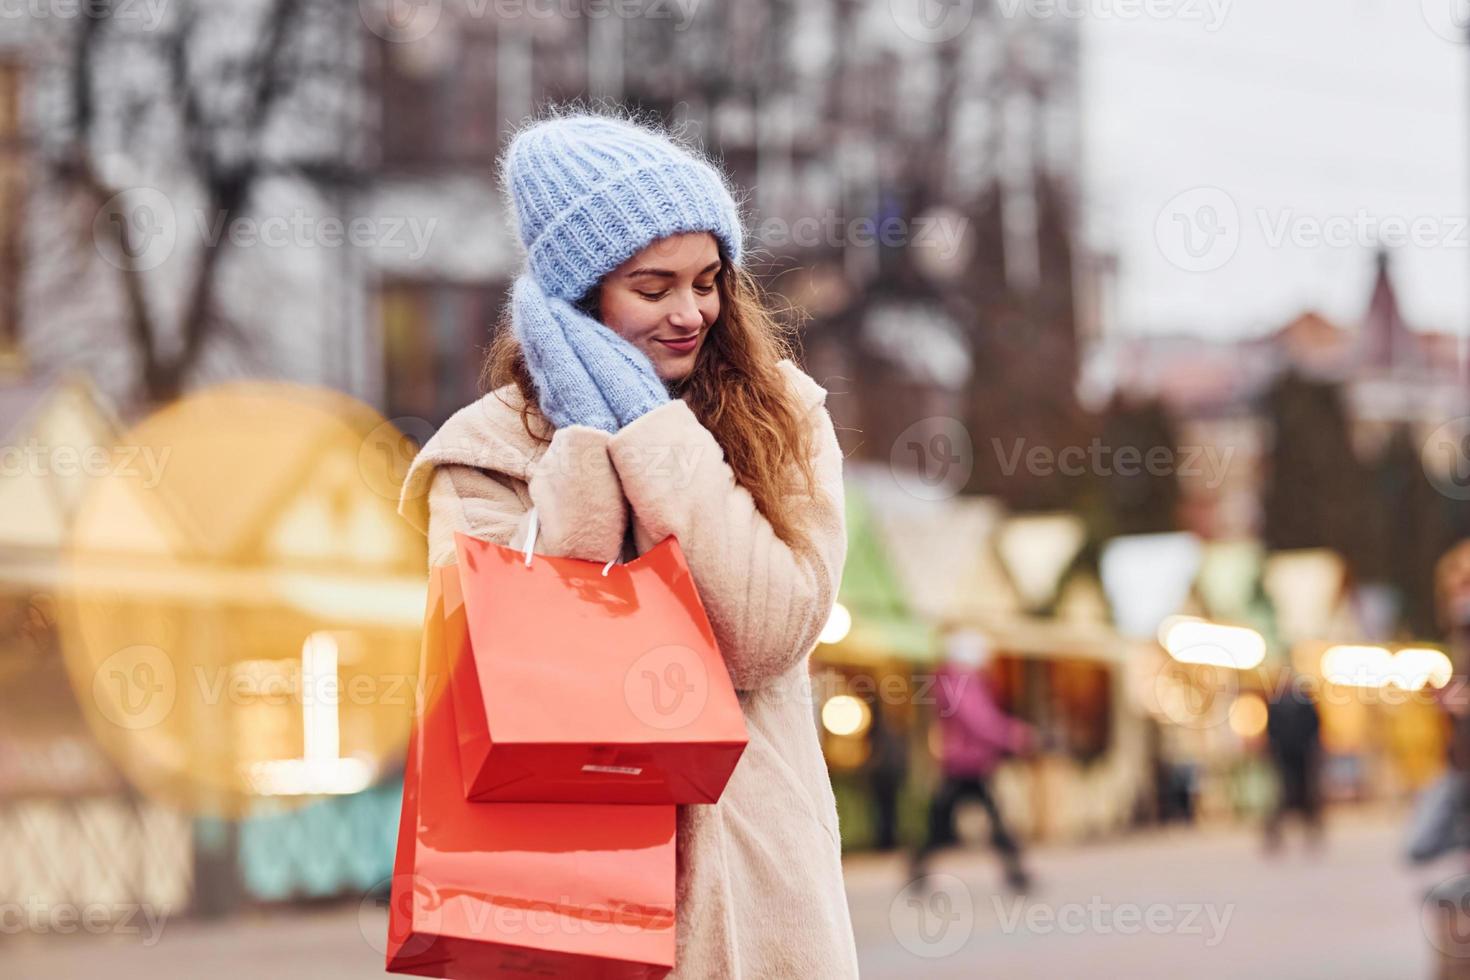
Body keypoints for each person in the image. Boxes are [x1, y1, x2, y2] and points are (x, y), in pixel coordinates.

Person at [396, 110, 859, 979]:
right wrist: (583, 448)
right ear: (581, 292)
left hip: (764, 910)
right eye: (654, 288)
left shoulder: (783, 416)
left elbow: (769, 630)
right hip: (572, 914)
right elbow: (534, 679)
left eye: (709, 280)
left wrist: (652, 432)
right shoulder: (484, 457)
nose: (691, 313)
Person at [910, 629, 1034, 892]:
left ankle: (1016, 872)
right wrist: (1011, 735)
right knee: (947, 824)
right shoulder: (960, 682)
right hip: (964, 766)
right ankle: (1016, 873)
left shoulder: (961, 681)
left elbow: (981, 719)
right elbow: (978, 721)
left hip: (971, 764)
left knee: (954, 823)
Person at [1263, 665, 1323, 853]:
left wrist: (1312, 747)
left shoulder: (1305, 702)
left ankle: (1312, 832)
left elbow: (1315, 726)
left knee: (1307, 794)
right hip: (1284, 756)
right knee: (1283, 794)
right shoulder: (1276, 704)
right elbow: (1270, 730)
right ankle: (1274, 834)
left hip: (1303, 755)